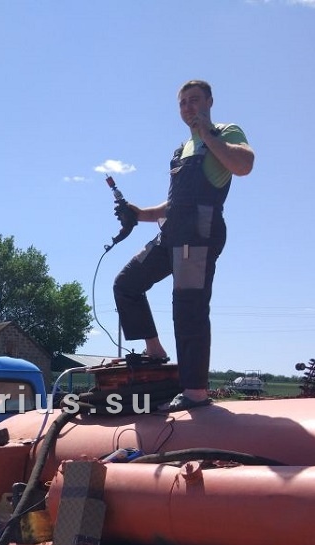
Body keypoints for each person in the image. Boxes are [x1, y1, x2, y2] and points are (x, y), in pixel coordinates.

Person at [113, 79, 254, 412]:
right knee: (126, 283)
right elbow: (174, 205)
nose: (188, 107)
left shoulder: (226, 132)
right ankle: (154, 350)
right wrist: (138, 213)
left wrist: (208, 134)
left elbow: (244, 166)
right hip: (171, 233)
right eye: (183, 103)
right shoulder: (181, 149)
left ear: (209, 102)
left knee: (188, 308)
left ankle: (195, 392)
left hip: (199, 234)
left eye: (194, 100)